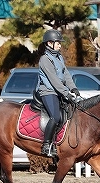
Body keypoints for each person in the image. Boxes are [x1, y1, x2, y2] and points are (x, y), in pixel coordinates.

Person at [36, 29, 80, 158]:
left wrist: (73, 88)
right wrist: (66, 93)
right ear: (50, 43)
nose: (60, 45)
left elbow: (66, 74)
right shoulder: (45, 59)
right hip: (48, 91)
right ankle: (46, 145)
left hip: (58, 91)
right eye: (58, 43)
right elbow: (54, 80)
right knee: (55, 117)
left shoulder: (59, 57)